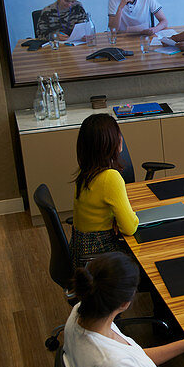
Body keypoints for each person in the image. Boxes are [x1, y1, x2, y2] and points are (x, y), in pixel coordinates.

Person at [70, 113, 138, 268]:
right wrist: (133, 217)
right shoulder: (110, 178)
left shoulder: (86, 172)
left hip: (81, 253)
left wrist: (114, 219)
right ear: (111, 143)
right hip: (100, 258)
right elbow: (129, 227)